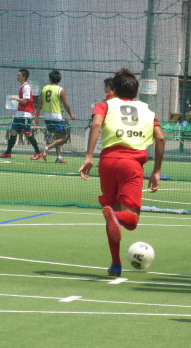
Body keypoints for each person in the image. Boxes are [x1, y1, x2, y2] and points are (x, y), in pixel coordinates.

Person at [79, 68, 165, 277]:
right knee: (131, 220)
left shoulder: (105, 105)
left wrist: (89, 156)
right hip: (131, 164)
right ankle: (116, 217)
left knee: (112, 214)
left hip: (107, 162)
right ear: (136, 92)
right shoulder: (147, 110)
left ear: (114, 90)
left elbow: (96, 124)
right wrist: (156, 171)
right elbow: (161, 138)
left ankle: (116, 264)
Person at [0, 69, 42, 159]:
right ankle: (8, 153)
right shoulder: (22, 86)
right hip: (19, 114)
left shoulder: (26, 87)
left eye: (19, 75)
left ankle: (38, 153)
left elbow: (25, 101)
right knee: (13, 132)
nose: (17, 77)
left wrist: (15, 98)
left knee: (28, 134)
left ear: (24, 77)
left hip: (25, 114)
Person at [35, 70, 75, 163]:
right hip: (56, 116)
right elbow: (66, 105)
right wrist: (71, 114)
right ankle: (46, 148)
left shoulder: (44, 88)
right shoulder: (60, 90)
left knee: (57, 136)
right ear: (59, 79)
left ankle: (59, 157)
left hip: (47, 116)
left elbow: (39, 103)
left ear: (49, 79)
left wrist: (36, 115)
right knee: (63, 137)